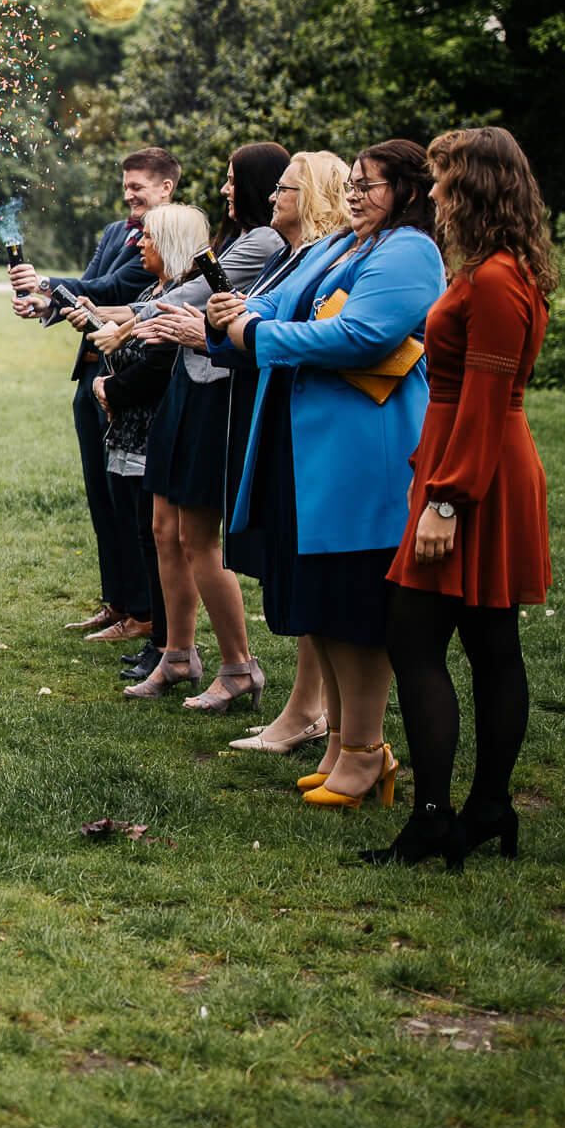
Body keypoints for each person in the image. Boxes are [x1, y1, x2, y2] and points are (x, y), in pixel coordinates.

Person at [208, 140, 446, 810]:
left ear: (407, 191)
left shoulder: (409, 252)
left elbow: (364, 336)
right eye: (355, 185)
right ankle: (344, 743)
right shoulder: (344, 246)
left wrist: (257, 334)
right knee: (325, 607)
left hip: (361, 459)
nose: (356, 195)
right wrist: (243, 318)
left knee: (355, 608)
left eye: (371, 186)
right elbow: (278, 308)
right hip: (310, 452)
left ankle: (367, 753)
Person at [366, 127, 555, 868]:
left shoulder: (499, 279)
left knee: (418, 640)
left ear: (474, 187)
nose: (435, 195)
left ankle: (447, 814)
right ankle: (480, 810)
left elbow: (483, 398)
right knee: (487, 642)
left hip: (476, 470)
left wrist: (447, 501)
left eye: (444, 181)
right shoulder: (488, 268)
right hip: (468, 460)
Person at [188, 151, 357, 755]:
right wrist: (222, 322)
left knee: (306, 570)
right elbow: (255, 322)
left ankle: (315, 715)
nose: (270, 199)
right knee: (291, 570)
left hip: (302, 420)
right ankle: (310, 711)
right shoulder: (293, 255)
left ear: (308, 194)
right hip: (268, 411)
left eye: (283, 189)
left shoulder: (325, 255)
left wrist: (234, 323)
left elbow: (292, 327)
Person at [133, 144, 290, 706]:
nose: (225, 189)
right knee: (164, 528)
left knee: (199, 537)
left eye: (232, 180)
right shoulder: (235, 241)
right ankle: (178, 656)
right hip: (187, 381)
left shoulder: (265, 242)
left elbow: (194, 299)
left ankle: (239, 666)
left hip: (214, 393)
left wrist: (127, 317)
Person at [9, 149, 173, 657]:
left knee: (128, 500)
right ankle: (117, 600)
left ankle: (144, 612)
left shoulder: (168, 236)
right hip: (89, 373)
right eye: (125, 186)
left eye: (139, 187)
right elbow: (89, 289)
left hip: (126, 381)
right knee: (101, 497)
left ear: (166, 188)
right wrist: (47, 304)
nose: (129, 195)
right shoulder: (111, 232)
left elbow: (112, 288)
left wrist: (45, 285)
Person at [75, 204, 204, 699]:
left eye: (148, 238)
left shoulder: (173, 299)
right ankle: (160, 642)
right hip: (131, 432)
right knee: (148, 535)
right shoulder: (155, 292)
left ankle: (168, 642)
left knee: (160, 541)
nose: (140, 244)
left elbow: (156, 367)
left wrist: (112, 388)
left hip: (150, 431)